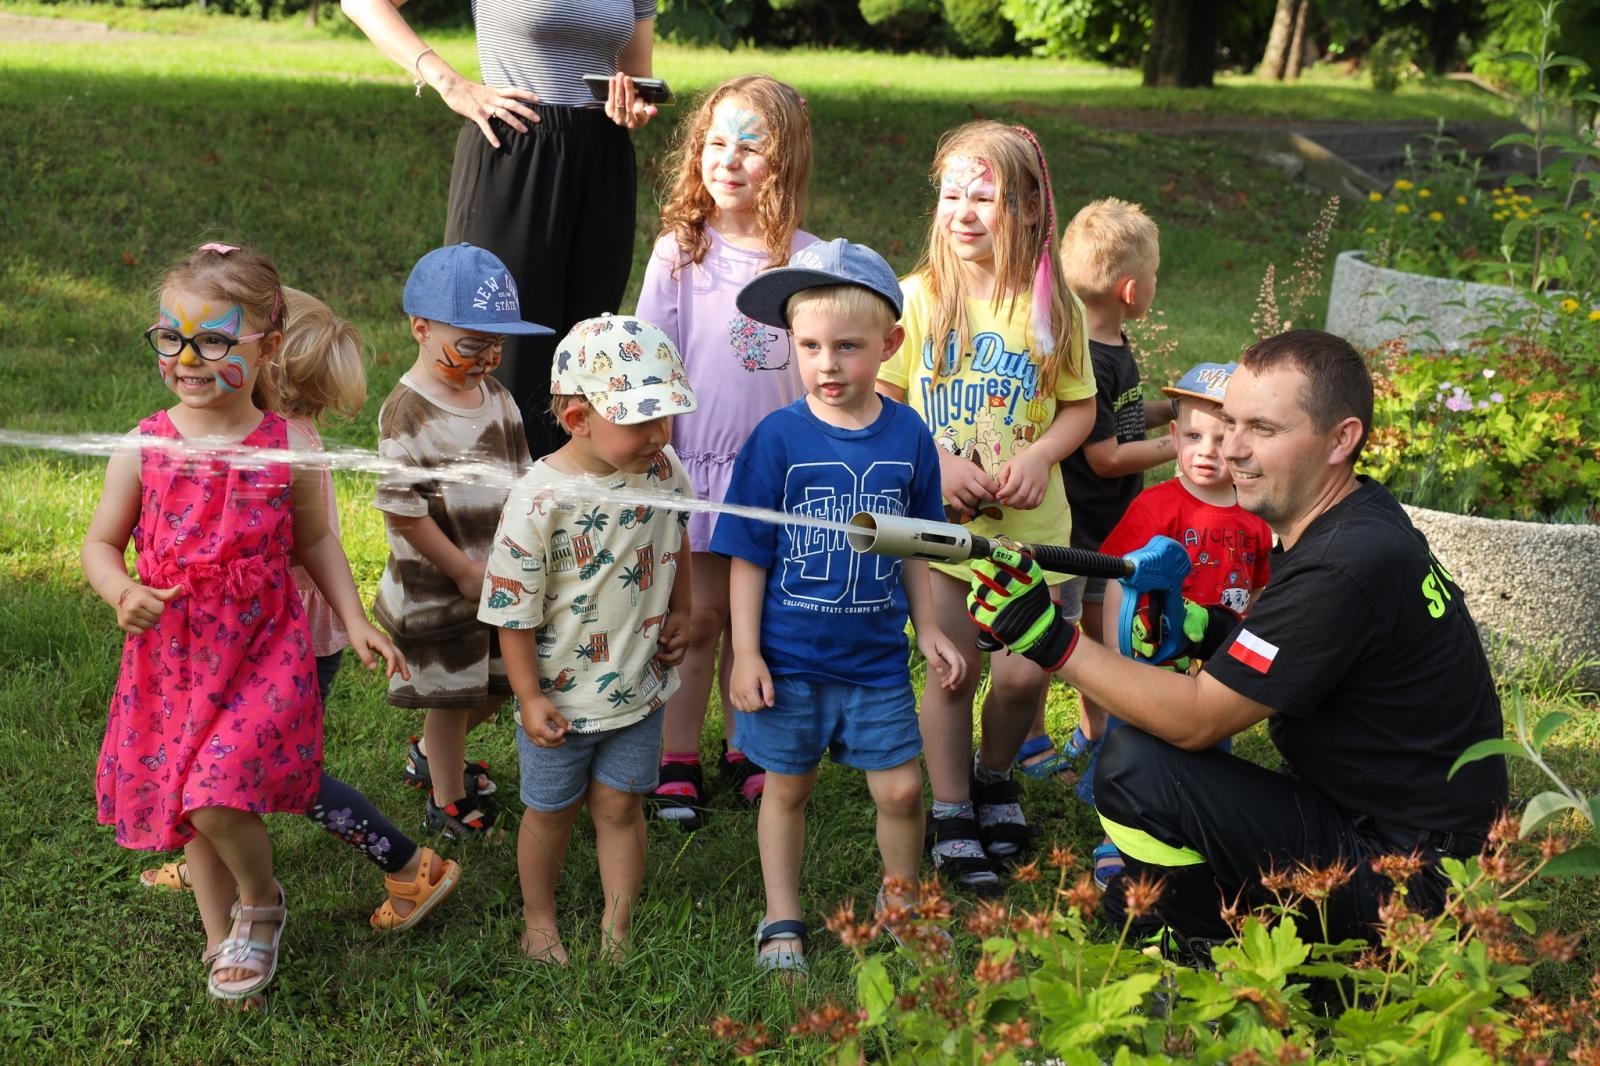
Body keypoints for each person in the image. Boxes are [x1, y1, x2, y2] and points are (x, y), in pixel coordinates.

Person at [966, 328, 1507, 956]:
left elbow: (1197, 719)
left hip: (1413, 891)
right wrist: (1214, 627)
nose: (1234, 450)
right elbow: (1313, 649)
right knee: (1152, 756)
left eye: (1265, 430)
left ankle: (1185, 931)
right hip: (1417, 848)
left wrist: (1050, 639)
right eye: (1229, 424)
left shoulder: (1341, 566)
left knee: (1138, 763)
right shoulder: (1362, 520)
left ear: (1342, 439)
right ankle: (1185, 906)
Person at [82, 243, 408, 1002]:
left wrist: (355, 620)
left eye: (215, 340)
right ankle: (222, 935)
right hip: (172, 658)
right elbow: (99, 542)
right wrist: (118, 589)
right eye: (171, 336)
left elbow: (316, 539)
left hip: (263, 652)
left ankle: (260, 904)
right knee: (187, 808)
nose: (189, 358)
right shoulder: (144, 446)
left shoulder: (285, 448)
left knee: (215, 790)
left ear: (267, 342)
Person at [138, 287, 461, 933]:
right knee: (214, 759)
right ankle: (214, 853)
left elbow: (287, 549)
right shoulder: (262, 435)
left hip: (286, 641)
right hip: (243, 639)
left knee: (281, 774)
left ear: (266, 364)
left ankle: (409, 864)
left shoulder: (283, 450)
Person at [714, 239, 965, 972]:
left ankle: (902, 906)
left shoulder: (909, 435)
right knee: (787, 789)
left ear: (889, 344)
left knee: (901, 788)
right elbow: (747, 553)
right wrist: (749, 651)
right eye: (811, 345)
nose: (827, 364)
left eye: (848, 347)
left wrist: (929, 630)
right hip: (791, 661)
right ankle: (781, 917)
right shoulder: (776, 438)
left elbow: (915, 547)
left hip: (874, 662)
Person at [876, 121, 1096, 894]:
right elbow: (884, 400)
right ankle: (952, 809)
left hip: (1036, 535)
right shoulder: (916, 299)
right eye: (950, 194)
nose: (963, 210)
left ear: (1031, 208)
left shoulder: (1054, 305)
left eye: (985, 195)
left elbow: (1079, 409)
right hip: (943, 536)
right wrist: (933, 462)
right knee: (950, 670)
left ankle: (994, 773)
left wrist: (1039, 456)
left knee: (1025, 675)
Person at [340, 0, 660, 450]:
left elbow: (635, 73)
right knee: (496, 346)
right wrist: (447, 81)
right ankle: (474, 503)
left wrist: (632, 107)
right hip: (514, 149)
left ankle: (555, 508)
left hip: (603, 162)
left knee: (582, 357)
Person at [477, 314, 696, 963]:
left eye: (667, 418)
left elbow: (673, 540)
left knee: (619, 807)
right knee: (550, 813)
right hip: (561, 701)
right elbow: (511, 608)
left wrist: (681, 609)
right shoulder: (541, 499)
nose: (660, 435)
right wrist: (528, 695)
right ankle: (539, 920)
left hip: (638, 687)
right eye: (641, 421)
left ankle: (616, 928)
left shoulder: (662, 472)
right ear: (578, 419)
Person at [634, 73, 818, 827]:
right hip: (699, 472)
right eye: (716, 143)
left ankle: (748, 744)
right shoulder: (682, 252)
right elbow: (654, 361)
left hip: (775, 478)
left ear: (786, 161)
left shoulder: (808, 258)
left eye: (751, 147)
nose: (729, 160)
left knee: (762, 620)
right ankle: (678, 754)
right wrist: (656, 462)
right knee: (701, 616)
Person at [372, 243, 548, 839]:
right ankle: (445, 801)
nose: (487, 357)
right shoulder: (406, 413)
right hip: (438, 587)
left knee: (497, 687)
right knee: (449, 697)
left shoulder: (496, 396)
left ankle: (428, 756)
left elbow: (521, 474)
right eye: (471, 344)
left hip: (498, 577)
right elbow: (402, 511)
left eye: (497, 344)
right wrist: (461, 568)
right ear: (421, 329)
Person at [1084, 361, 1273, 886]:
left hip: (1217, 664)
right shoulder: (1157, 505)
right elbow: (1119, 574)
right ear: (1173, 435)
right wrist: (1120, 651)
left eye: (1222, 436)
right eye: (1193, 435)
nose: (1207, 450)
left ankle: (1190, 826)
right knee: (1134, 744)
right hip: (1155, 654)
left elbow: (1258, 585)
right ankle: (1118, 838)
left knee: (1210, 750)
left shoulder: (1256, 515)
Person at [1017, 197, 1174, 789]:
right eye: (1155, 276)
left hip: (1109, 525)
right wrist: (1179, 450)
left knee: (1099, 634)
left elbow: (1123, 420)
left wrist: (1173, 411)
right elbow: (1106, 457)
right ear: (1132, 290)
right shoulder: (1089, 355)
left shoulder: (1109, 343)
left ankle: (1095, 730)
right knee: (1048, 634)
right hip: (1074, 528)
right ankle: (1031, 736)